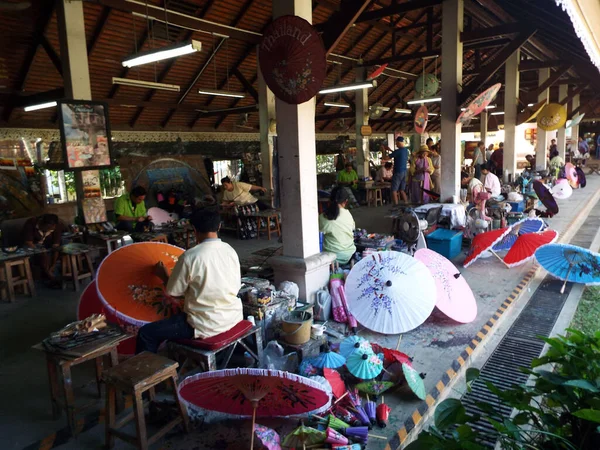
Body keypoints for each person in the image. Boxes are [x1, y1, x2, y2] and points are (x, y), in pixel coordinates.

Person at [136, 210, 243, 353]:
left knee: (146, 333)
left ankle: (153, 372)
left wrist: (163, 275)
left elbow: (173, 292)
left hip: (205, 324)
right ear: (219, 227)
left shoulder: (190, 256)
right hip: (233, 315)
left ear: (194, 230)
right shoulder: (230, 250)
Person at [22, 214, 63, 284]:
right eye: (48, 228)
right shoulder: (31, 223)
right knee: (42, 254)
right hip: (32, 245)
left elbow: (56, 245)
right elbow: (28, 242)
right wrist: (40, 251)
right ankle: (50, 275)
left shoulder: (57, 225)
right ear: (42, 224)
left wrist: (53, 264)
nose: (51, 229)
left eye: (52, 228)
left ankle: (51, 272)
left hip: (47, 244)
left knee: (60, 247)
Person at [319, 187, 356, 265]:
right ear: (345, 202)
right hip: (349, 255)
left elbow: (317, 235)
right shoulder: (348, 214)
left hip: (331, 259)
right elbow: (353, 229)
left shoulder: (322, 217)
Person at [387, 136, 409, 205]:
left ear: (399, 142)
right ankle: (406, 203)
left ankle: (396, 206)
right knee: (402, 190)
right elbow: (397, 154)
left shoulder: (398, 151)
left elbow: (386, 158)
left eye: (396, 143)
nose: (396, 144)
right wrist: (390, 150)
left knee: (394, 190)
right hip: (404, 172)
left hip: (398, 172)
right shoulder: (406, 151)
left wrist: (384, 151)